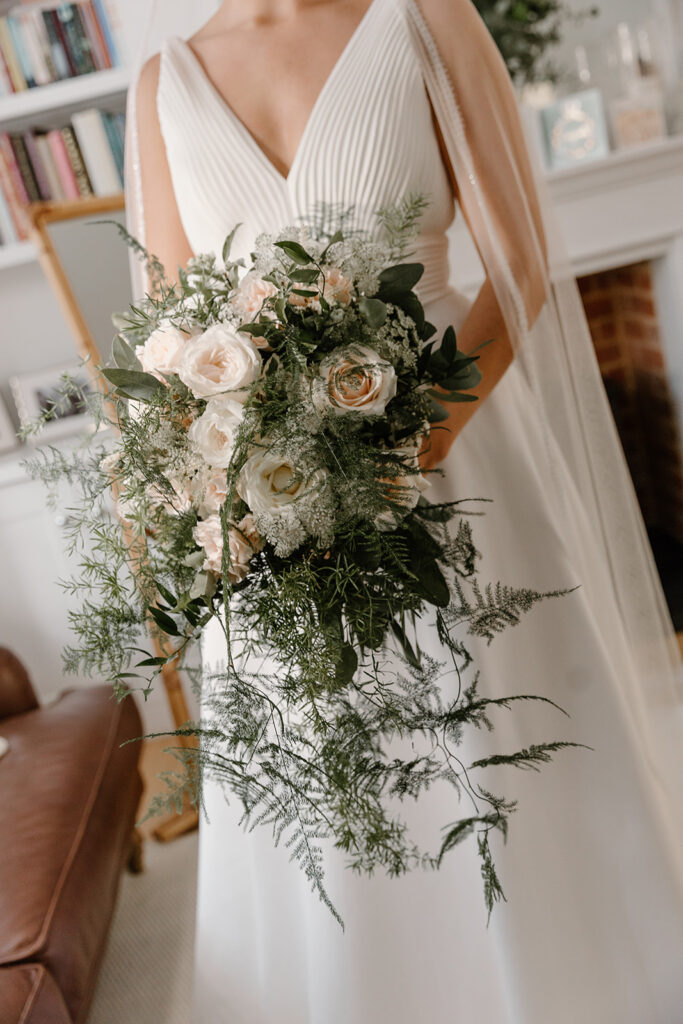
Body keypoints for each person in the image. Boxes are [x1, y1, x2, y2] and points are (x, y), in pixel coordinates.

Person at [129, 1, 683, 1020]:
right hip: (273, 521)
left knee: (495, 763)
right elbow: (173, 336)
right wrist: (228, 499)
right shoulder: (166, 82)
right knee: (331, 813)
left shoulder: (425, 17)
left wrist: (408, 446)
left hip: (453, 469)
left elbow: (516, 267)